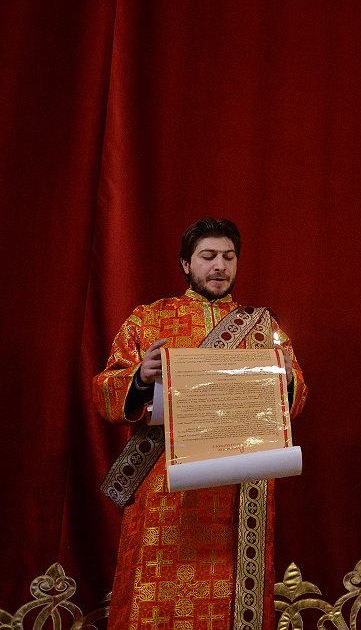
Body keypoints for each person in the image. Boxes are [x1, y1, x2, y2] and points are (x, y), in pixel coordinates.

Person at [93, 218, 307, 630]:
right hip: (165, 491)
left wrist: (287, 379)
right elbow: (104, 388)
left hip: (240, 491)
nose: (220, 266)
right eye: (208, 256)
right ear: (186, 264)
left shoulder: (264, 328)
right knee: (155, 602)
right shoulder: (149, 319)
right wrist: (139, 379)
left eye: (229, 257)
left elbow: (297, 397)